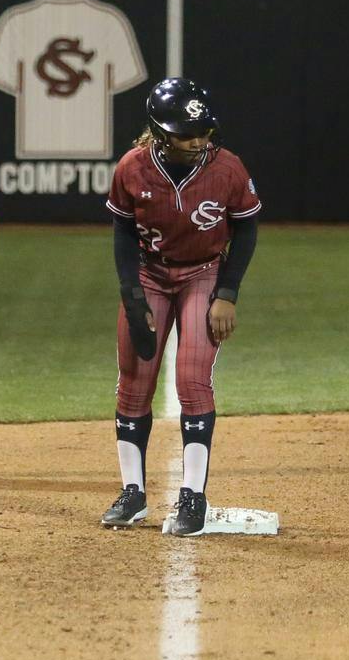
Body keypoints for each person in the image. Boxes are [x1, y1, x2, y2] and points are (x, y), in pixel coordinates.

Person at [99, 77, 261, 536]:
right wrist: (132, 297)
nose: (197, 141)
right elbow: (122, 233)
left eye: (203, 132)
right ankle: (133, 494)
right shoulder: (132, 167)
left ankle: (193, 497)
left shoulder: (227, 168)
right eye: (186, 134)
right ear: (158, 131)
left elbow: (246, 229)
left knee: (192, 379)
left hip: (203, 274)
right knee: (134, 382)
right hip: (150, 274)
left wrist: (227, 293)